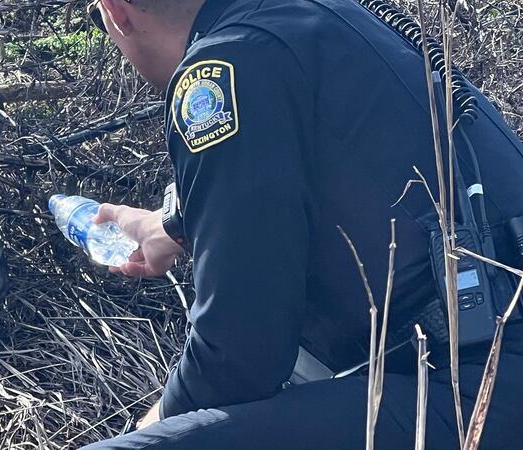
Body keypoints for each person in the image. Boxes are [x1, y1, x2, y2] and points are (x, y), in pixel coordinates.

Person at [80, 0, 523, 449]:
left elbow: (240, 357)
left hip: (476, 387)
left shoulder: (223, 66)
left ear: (117, 12)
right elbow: (351, 168)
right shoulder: (316, 16)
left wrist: (157, 423)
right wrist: (174, 223)